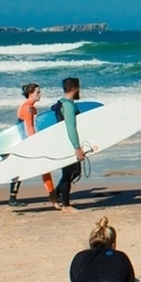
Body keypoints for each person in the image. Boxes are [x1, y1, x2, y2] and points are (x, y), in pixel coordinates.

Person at [8, 83, 57, 208]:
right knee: (27, 168)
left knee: (42, 167)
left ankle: (52, 193)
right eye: (38, 92)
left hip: (26, 141)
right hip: (25, 142)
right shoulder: (27, 107)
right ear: (31, 94)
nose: (40, 94)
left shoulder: (31, 107)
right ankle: (13, 199)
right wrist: (34, 143)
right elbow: (29, 127)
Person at [54, 77, 86, 213]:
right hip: (67, 143)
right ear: (74, 89)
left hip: (63, 141)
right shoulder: (68, 105)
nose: (80, 90)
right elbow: (71, 126)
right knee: (69, 173)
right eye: (79, 88)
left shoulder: (62, 103)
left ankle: (54, 195)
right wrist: (77, 147)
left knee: (75, 171)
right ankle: (66, 205)